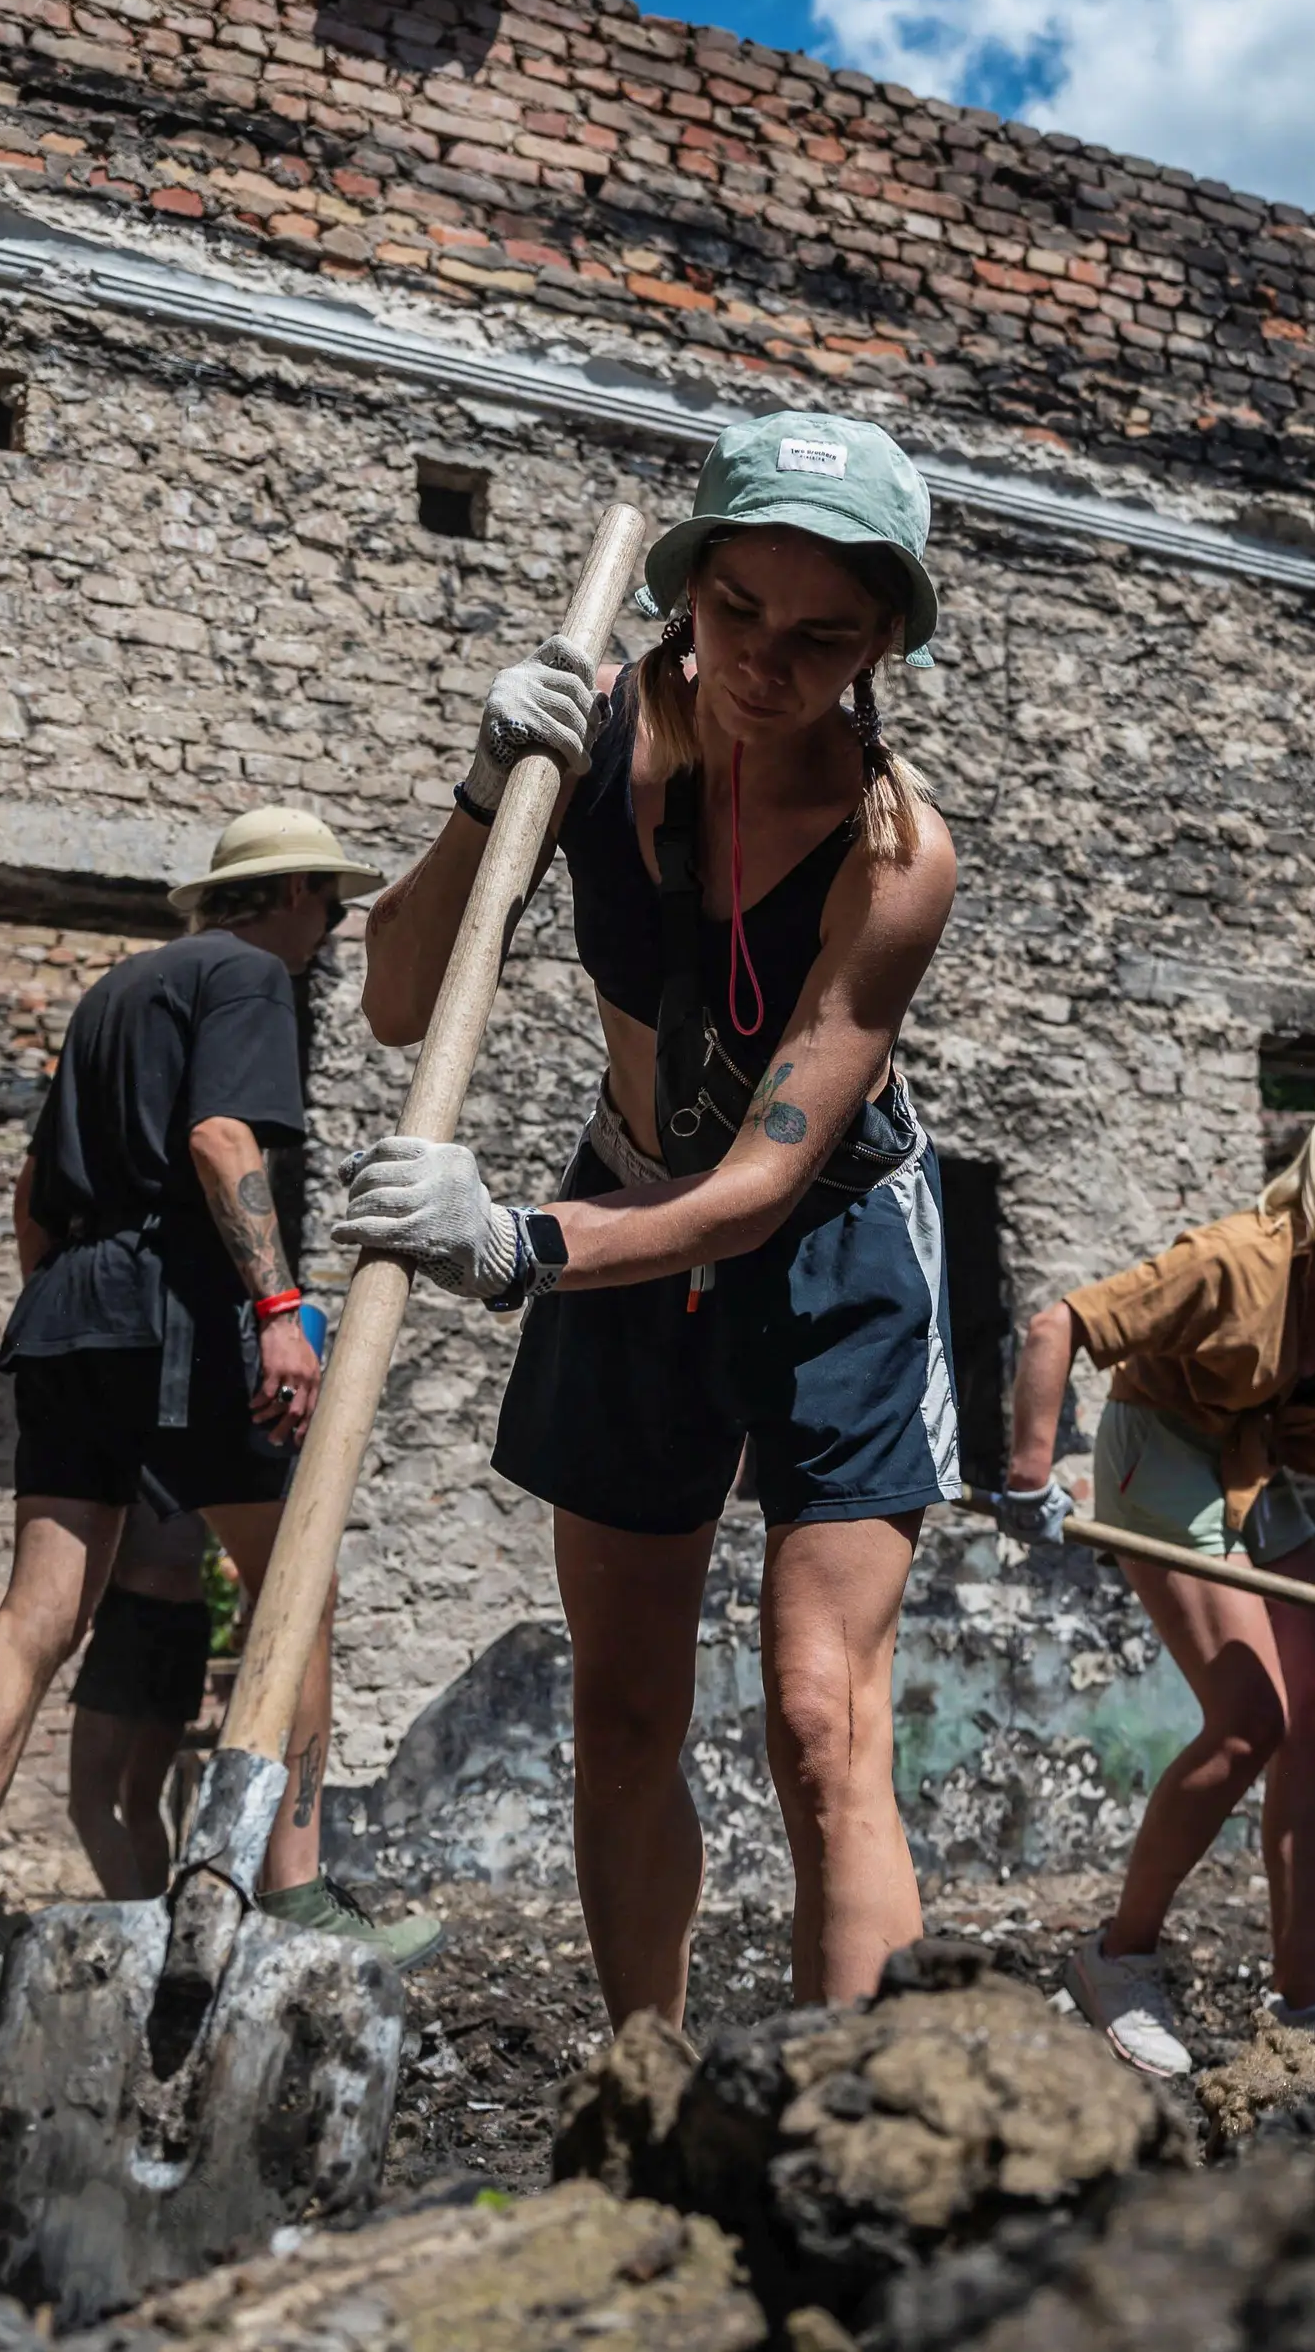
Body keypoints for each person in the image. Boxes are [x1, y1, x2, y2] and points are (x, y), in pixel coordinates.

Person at [346, 411, 962, 2027]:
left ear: (885, 640)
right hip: (628, 1203)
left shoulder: (895, 857)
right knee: (623, 1713)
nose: (767, 661)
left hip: (825, 1247)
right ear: (685, 588)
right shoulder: (600, 739)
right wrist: (489, 787)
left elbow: (760, 1188)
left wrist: (518, 1248)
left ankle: (863, 2115)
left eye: (825, 638)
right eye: (738, 613)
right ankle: (647, 2089)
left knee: (822, 1722)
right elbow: (400, 1003)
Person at [0, 808, 440, 2011]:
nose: (335, 927)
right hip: (189, 1309)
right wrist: (279, 1303)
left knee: (39, 1610)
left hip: (77, 1306)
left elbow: (36, 1193)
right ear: (284, 895)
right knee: (298, 1592)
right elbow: (220, 1133)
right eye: (329, 903)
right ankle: (294, 1897)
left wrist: (71, 1306)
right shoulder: (249, 975)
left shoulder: (111, 990)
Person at [990, 1106, 1315, 2078]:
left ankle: (1307, 1996)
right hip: (1162, 1449)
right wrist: (1030, 1475)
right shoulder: (1234, 1257)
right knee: (1249, 1717)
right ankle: (1117, 1958)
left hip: (1251, 1464)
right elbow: (1061, 1322)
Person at [66, 1497, 219, 1895]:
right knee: (141, 1801)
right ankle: (154, 1926)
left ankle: (137, 1926)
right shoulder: (202, 1463)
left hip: (133, 1619)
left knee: (89, 1803)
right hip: (188, 1621)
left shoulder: (130, 1451)